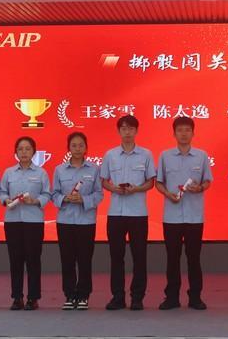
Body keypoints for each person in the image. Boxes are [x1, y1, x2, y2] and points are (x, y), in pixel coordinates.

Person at [155, 116, 213, 310]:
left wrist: (200, 188)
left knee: (194, 258)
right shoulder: (165, 156)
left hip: (194, 216)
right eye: (180, 130)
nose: (184, 134)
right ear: (174, 133)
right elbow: (158, 183)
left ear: (193, 133)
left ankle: (195, 297)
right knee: (172, 258)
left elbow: (207, 181)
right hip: (171, 216)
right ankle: (171, 297)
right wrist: (167, 194)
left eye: (187, 130)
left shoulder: (201, 156)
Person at [100, 115, 156, 311]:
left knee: (139, 257)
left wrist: (136, 189)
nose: (127, 132)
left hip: (138, 213)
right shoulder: (110, 155)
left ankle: (137, 298)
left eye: (131, 128)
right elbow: (104, 181)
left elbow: (151, 182)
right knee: (116, 257)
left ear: (136, 131)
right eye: (123, 128)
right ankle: (117, 297)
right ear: (119, 131)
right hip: (116, 213)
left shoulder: (146, 154)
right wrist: (113, 188)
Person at [51, 132, 103, 310]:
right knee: (67, 259)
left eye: (81, 145)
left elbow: (99, 194)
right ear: (68, 148)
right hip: (65, 221)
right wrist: (65, 198)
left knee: (85, 259)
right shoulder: (59, 170)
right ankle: (69, 294)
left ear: (86, 148)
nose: (78, 148)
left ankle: (83, 295)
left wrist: (84, 200)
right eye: (74, 145)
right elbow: (54, 194)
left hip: (86, 221)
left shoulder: (94, 169)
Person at [0, 136, 51, 311]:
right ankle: (17, 297)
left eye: (28, 149)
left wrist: (35, 201)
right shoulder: (9, 173)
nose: (24, 152)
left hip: (34, 221)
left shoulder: (41, 173)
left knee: (33, 260)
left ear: (34, 152)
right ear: (16, 152)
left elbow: (47, 194)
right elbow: (1, 192)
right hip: (13, 221)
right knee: (15, 260)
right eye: (20, 149)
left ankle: (33, 298)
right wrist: (6, 200)